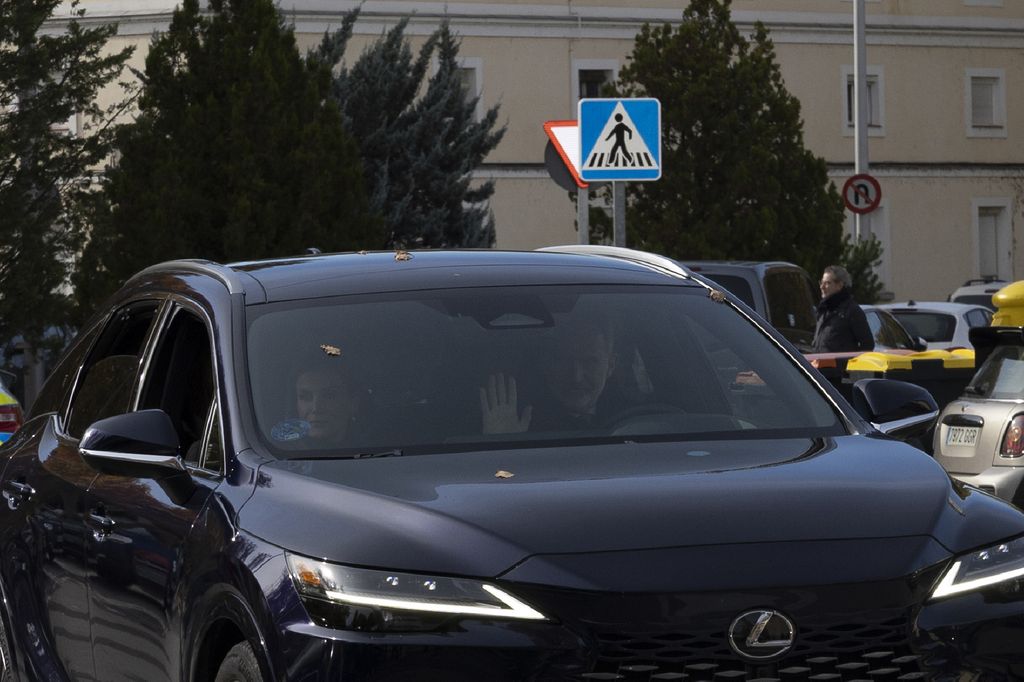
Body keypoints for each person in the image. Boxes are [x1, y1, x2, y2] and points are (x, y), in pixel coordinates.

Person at [479, 322, 618, 434]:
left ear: (611, 365)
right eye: (564, 362)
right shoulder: (519, 420)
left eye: (589, 362)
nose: (577, 377)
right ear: (545, 365)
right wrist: (502, 441)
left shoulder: (628, 418)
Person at [272, 364, 361, 446]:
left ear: (353, 404)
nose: (316, 408)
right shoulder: (277, 452)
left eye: (329, 396)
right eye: (305, 397)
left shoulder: (366, 449)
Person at [811, 265, 874, 353]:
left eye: (827, 283)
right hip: (817, 362)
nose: (822, 287)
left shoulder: (852, 311)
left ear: (839, 285)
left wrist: (849, 360)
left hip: (842, 362)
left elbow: (867, 345)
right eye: (821, 282)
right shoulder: (823, 310)